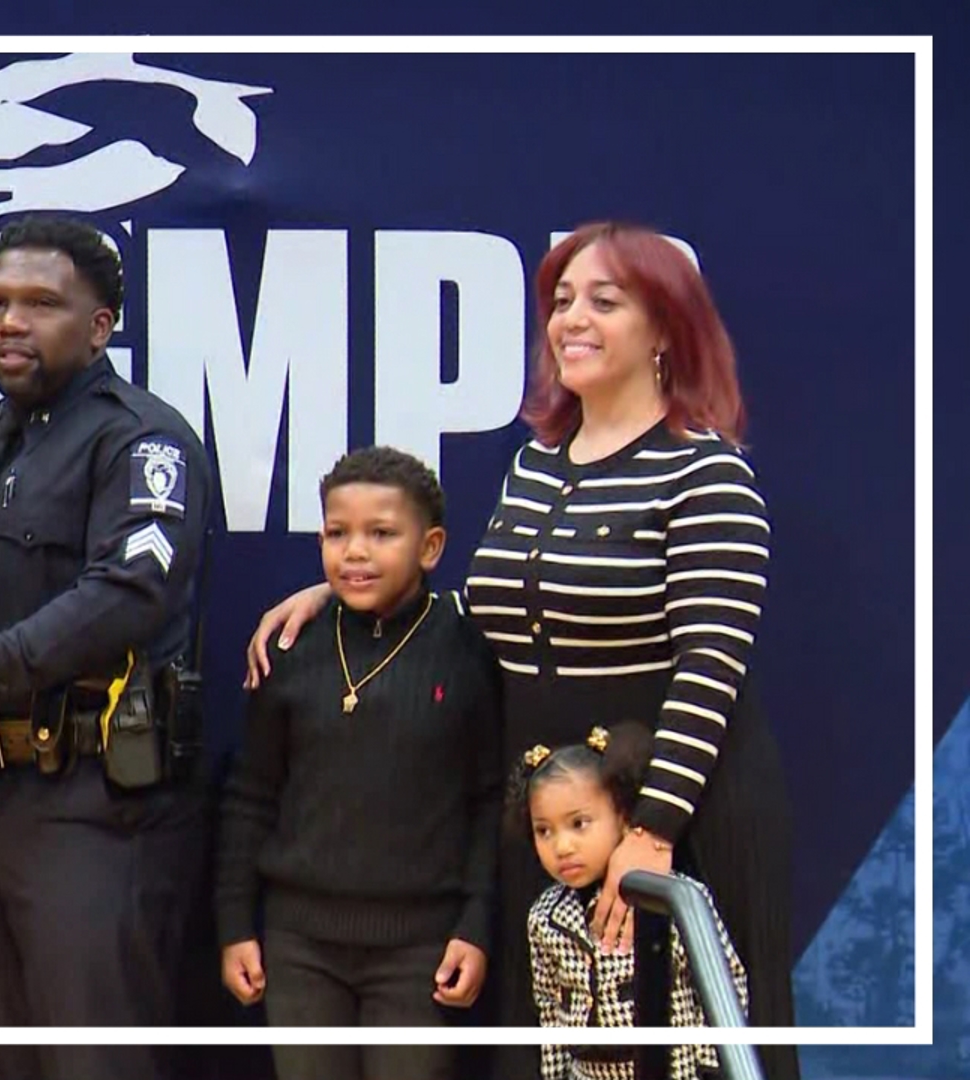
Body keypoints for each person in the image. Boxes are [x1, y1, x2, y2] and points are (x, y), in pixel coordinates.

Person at [245, 222, 797, 1080]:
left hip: (668, 815)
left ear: (665, 329)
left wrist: (651, 833)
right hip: (548, 814)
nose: (571, 319)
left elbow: (711, 665)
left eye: (603, 302)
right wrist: (350, 592)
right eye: (562, 300)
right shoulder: (537, 464)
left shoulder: (706, 474)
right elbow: (504, 612)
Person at [0, 214, 213, 1080]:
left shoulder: (142, 437)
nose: (10, 323)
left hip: (97, 810)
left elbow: (128, 595)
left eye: (40, 304)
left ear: (100, 327)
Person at [215, 446, 501, 1080]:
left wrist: (476, 925)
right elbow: (250, 796)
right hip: (299, 947)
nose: (355, 553)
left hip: (420, 948)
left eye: (381, 534)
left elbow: (488, 800)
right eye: (337, 534)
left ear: (429, 547)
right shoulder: (288, 648)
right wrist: (235, 924)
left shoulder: (465, 649)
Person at [515, 723, 750, 1080]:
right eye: (544, 830)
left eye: (579, 823)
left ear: (624, 818)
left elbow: (723, 984)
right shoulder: (544, 917)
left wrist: (710, 1068)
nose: (562, 846)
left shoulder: (673, 899)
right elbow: (550, 1007)